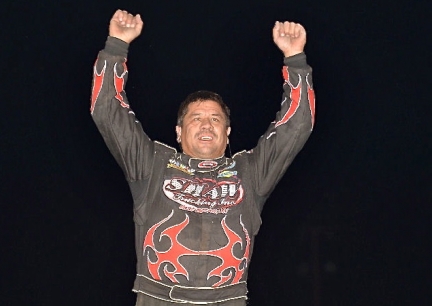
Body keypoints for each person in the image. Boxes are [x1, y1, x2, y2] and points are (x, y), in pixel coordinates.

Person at [91, 9, 315, 306]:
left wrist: (295, 58)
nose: (206, 124)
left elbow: (297, 126)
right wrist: (117, 44)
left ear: (228, 132)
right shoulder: (152, 164)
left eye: (215, 119)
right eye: (196, 118)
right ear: (179, 131)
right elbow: (107, 112)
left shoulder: (249, 170)